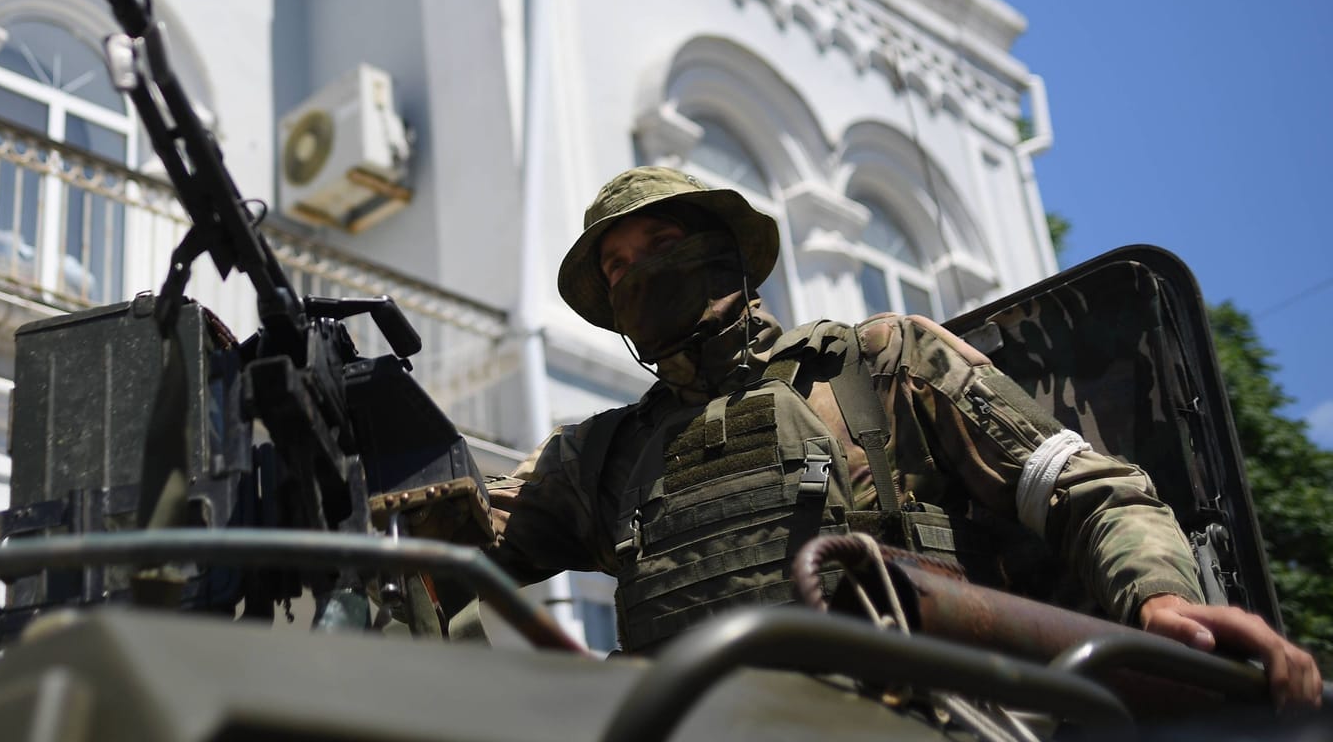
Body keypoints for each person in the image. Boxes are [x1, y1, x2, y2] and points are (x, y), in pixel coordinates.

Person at [486, 166, 1321, 709]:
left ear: (721, 254)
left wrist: (1160, 600)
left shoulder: (880, 364)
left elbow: (1084, 490)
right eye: (619, 268)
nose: (639, 273)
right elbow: (449, 539)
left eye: (661, 245)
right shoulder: (597, 458)